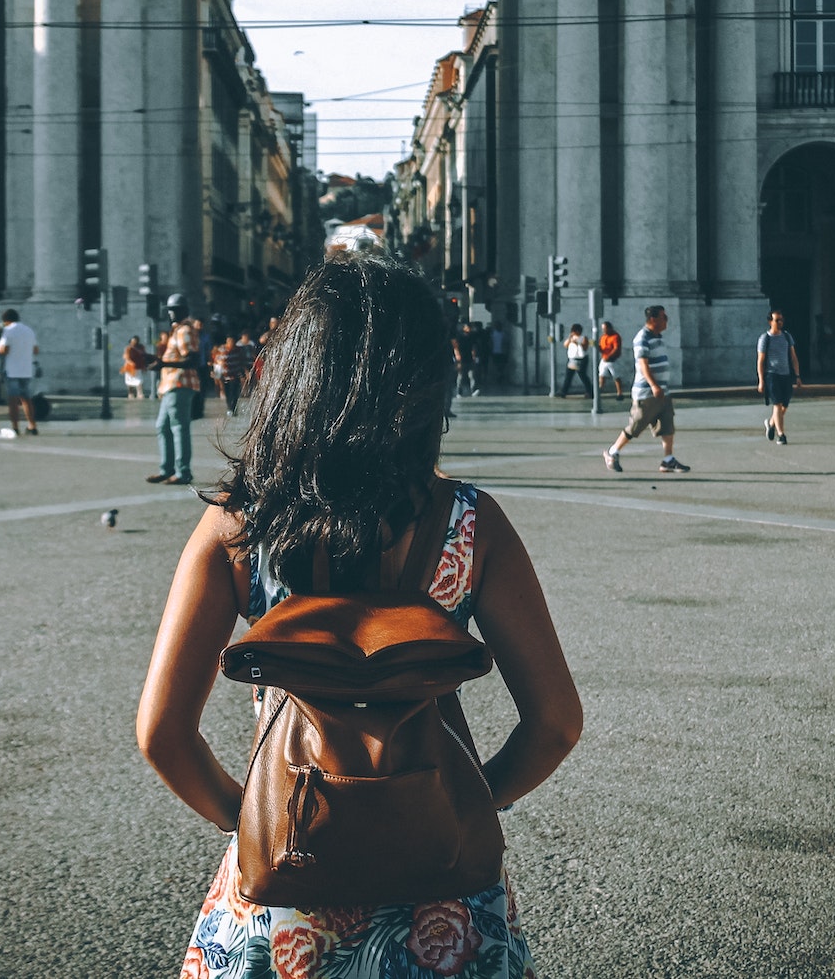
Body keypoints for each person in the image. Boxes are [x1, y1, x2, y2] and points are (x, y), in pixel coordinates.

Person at [137, 250, 580, 979]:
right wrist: (454, 805)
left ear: (296, 371)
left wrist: (251, 815)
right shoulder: (470, 524)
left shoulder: (240, 527)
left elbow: (161, 732)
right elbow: (557, 722)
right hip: (442, 907)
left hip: (285, 892)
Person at [604, 306, 689, 474]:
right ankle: (613, 452)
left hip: (663, 391)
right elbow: (643, 365)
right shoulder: (642, 338)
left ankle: (668, 460)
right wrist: (654, 385)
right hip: (647, 392)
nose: (667, 320)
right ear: (653, 319)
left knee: (667, 425)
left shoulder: (658, 337)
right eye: (663, 317)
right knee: (636, 425)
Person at [148, 297, 202, 486]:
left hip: (180, 384)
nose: (170, 313)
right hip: (170, 385)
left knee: (179, 428)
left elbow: (192, 360)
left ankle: (183, 472)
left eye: (174, 309)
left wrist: (164, 363)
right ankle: (167, 469)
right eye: (169, 309)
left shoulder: (185, 330)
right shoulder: (178, 331)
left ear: (183, 311)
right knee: (162, 427)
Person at [756, 310, 802, 445]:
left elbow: (793, 357)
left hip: (786, 375)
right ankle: (781, 435)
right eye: (777, 320)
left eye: (781, 320)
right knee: (777, 404)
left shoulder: (787, 337)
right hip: (772, 375)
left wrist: (797, 375)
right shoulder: (765, 338)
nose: (779, 323)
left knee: (785, 406)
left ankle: (770, 423)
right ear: (770, 322)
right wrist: (761, 380)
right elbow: (761, 360)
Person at [0, 308, 39, 437]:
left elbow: (3, 350)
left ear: (5, 320)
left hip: (12, 369)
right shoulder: (28, 330)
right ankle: (32, 425)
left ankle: (15, 426)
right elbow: (35, 350)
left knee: (13, 400)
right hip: (26, 369)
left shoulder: (8, 331)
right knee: (26, 399)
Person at [560, 323, 591, 397]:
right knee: (568, 376)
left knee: (583, 376)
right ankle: (563, 392)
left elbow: (585, 347)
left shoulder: (583, 338)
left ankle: (590, 391)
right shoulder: (571, 338)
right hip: (572, 359)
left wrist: (577, 343)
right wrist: (570, 338)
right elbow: (565, 345)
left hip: (581, 359)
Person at [595, 320, 623, 394]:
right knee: (602, 375)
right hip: (604, 359)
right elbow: (602, 348)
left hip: (613, 360)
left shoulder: (615, 336)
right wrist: (596, 346)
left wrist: (609, 356)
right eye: (603, 329)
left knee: (616, 376)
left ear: (610, 328)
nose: (604, 331)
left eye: (605, 329)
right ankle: (601, 389)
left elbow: (616, 348)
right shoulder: (603, 337)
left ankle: (619, 392)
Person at [123, 335, 150, 399]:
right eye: (132, 341)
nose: (133, 342)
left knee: (139, 381)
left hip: (138, 367)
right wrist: (130, 363)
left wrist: (144, 366)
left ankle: (140, 393)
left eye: (135, 341)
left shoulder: (141, 348)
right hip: (129, 367)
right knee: (129, 381)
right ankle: (130, 394)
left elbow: (144, 356)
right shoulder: (128, 348)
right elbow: (126, 357)